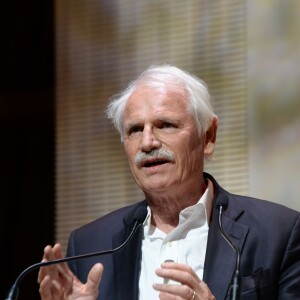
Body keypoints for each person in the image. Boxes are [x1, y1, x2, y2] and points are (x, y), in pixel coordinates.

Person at [38, 65, 300, 300]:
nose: (148, 142)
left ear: (208, 136)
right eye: (135, 130)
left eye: (165, 125)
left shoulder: (278, 234)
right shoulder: (90, 246)